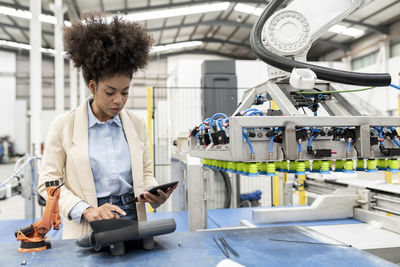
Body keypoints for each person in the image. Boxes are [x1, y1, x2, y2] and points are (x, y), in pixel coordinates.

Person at [37, 13, 177, 240]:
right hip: (89, 223)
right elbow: (47, 184)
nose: (118, 101)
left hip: (133, 217)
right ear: (93, 86)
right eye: (110, 92)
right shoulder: (64, 126)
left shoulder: (137, 125)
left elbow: (144, 173)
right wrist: (87, 210)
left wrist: (155, 193)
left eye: (125, 92)